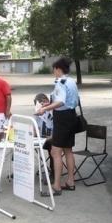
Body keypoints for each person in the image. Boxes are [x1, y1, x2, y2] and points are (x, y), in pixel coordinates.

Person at [36, 58, 80, 196]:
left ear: (58, 69)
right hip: (71, 116)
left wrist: (45, 108)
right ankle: (71, 181)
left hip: (62, 119)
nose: (53, 72)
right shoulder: (71, 81)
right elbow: (70, 100)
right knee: (68, 150)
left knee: (55, 152)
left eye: (54, 69)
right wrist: (49, 103)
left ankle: (56, 186)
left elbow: (61, 102)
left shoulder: (61, 82)